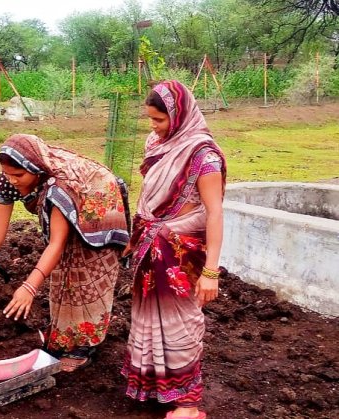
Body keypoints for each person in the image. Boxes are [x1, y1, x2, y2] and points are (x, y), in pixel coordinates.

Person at [0, 134, 130, 372]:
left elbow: (56, 244)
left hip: (96, 201)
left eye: (19, 175)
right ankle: (62, 337)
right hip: (67, 204)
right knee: (62, 275)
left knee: (87, 275)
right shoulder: (7, 181)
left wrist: (29, 287)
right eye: (8, 173)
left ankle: (83, 345)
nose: (13, 180)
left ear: (36, 170)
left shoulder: (58, 187)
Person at [121, 80, 226, 419]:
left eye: (160, 120)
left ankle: (189, 402)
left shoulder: (203, 156)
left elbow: (214, 213)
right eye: (150, 119)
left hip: (181, 251)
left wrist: (211, 272)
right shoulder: (158, 144)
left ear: (179, 116)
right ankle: (155, 384)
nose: (154, 127)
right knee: (150, 318)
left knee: (181, 321)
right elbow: (148, 196)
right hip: (153, 246)